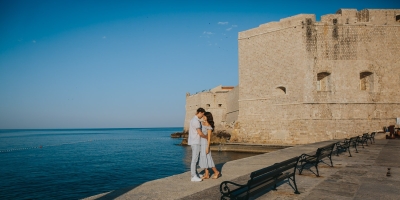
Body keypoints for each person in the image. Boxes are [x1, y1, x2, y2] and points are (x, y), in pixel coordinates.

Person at [199, 112, 221, 179]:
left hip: (205, 144)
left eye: (205, 116)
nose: (203, 117)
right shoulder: (201, 123)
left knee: (208, 159)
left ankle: (216, 172)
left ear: (208, 117)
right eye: (203, 116)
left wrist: (208, 147)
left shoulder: (209, 126)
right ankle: (206, 174)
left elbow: (209, 138)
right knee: (203, 159)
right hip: (201, 143)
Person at [188, 107, 207, 182]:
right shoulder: (195, 121)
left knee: (196, 159)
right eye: (202, 114)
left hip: (194, 141)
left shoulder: (194, 120)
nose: (202, 116)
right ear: (200, 112)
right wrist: (206, 137)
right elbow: (199, 133)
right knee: (194, 159)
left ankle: (195, 174)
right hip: (195, 142)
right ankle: (193, 176)